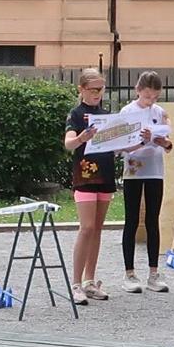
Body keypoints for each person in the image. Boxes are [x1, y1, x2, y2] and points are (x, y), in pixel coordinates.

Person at [64, 68, 115, 305]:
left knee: (97, 229)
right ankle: (75, 283)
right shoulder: (76, 114)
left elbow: (117, 143)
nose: (98, 93)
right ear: (82, 89)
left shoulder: (105, 114)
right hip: (84, 176)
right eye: (93, 89)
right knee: (86, 228)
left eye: (101, 89)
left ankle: (89, 280)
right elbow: (68, 144)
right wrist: (82, 138)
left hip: (105, 174)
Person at [120, 71, 174, 294]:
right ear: (138, 91)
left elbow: (169, 144)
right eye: (146, 97)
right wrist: (138, 141)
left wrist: (163, 141)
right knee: (132, 219)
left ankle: (154, 272)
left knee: (153, 218)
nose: (150, 101)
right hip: (133, 168)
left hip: (154, 169)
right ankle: (129, 273)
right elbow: (121, 143)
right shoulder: (127, 111)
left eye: (154, 97)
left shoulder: (159, 112)